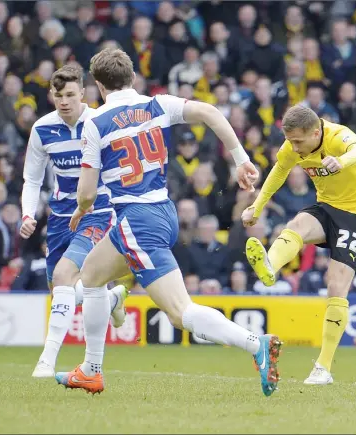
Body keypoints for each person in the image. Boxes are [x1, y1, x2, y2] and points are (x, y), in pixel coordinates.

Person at [56, 48, 282, 397]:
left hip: (137, 221)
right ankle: (91, 369)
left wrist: (80, 210)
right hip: (162, 210)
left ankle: (256, 344)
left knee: (181, 313)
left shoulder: (95, 124)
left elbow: (86, 193)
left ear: (98, 86)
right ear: (132, 78)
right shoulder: (155, 105)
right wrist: (240, 158)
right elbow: (208, 111)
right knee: (92, 274)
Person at [241, 104, 356, 385]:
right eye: (290, 140)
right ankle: (271, 265)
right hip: (328, 206)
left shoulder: (338, 136)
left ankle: (323, 368)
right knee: (296, 225)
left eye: (298, 141)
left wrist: (343, 161)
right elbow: (279, 171)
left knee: (336, 285)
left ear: (316, 132)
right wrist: (256, 207)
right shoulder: (293, 146)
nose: (293, 147)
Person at [19, 64, 129, 379]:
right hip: (60, 218)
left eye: (70, 94)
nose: (64, 101)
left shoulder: (100, 122)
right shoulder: (42, 129)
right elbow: (32, 179)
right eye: (58, 95)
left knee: (66, 274)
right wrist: (28, 214)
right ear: (51, 96)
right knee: (60, 287)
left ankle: (46, 360)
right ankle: (111, 299)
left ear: (83, 92)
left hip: (97, 211)